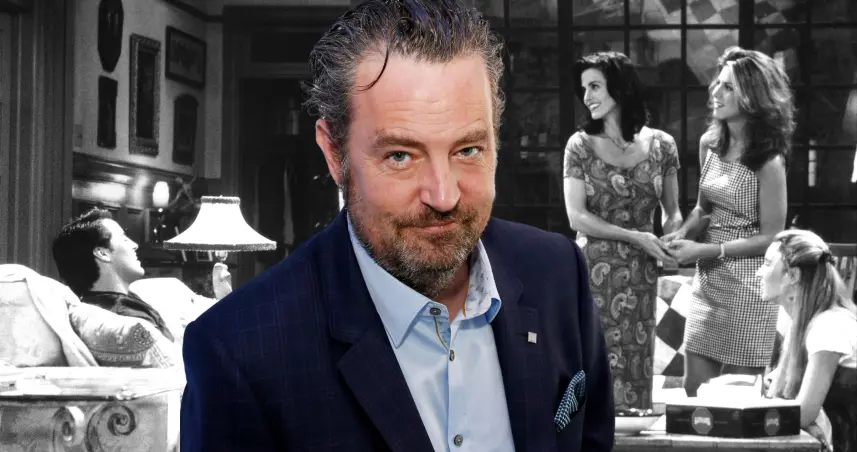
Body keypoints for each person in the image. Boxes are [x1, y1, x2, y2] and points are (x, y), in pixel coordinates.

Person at [179, 1, 614, 451]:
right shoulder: (239, 351)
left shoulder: (557, 272)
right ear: (334, 154)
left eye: (468, 150)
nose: (443, 196)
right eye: (400, 156)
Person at [662, 46, 793, 396]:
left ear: (753, 97)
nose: (715, 92)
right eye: (717, 83)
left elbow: (772, 237)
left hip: (750, 285)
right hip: (709, 281)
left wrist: (706, 250)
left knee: (738, 398)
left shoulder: (768, 161)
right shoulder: (710, 143)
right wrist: (681, 234)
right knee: (695, 390)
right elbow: (703, 209)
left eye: (728, 87)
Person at [563, 51, 683, 411]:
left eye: (595, 86)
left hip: (642, 274)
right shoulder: (579, 146)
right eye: (584, 89)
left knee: (636, 362)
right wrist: (635, 237)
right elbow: (576, 217)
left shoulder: (662, 146)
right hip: (592, 272)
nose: (587, 97)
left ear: (619, 87)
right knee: (592, 361)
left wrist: (673, 235)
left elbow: (673, 211)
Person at [52, 208, 231, 343]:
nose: (135, 244)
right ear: (102, 253)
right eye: (123, 238)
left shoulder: (127, 299)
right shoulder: (127, 321)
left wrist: (221, 299)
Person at [759, 229, 857, 452]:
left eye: (767, 264)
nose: (759, 273)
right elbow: (777, 391)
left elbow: (803, 413)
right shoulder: (798, 322)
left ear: (793, 276)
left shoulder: (829, 325)